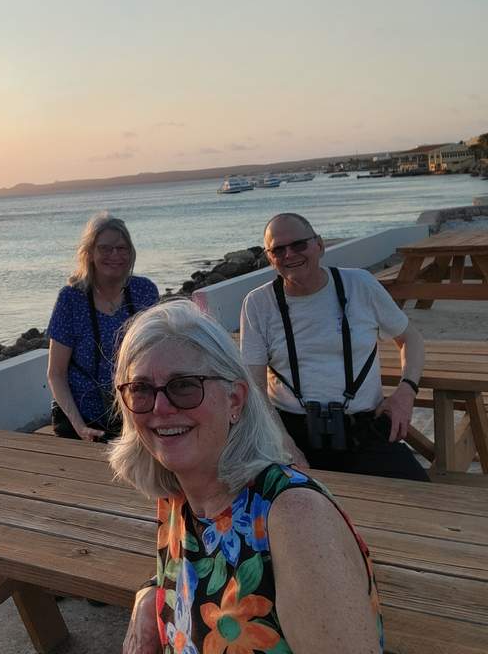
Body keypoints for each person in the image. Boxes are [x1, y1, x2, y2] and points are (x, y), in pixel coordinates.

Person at [109, 300, 384, 654]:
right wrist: (149, 594)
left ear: (235, 400)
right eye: (141, 389)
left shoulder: (296, 518)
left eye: (185, 386)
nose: (161, 408)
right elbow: (201, 573)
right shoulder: (179, 497)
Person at [239, 213, 428, 481]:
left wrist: (405, 393)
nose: (290, 254)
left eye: (299, 245)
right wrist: (283, 442)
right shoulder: (258, 304)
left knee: (421, 499)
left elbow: (411, 339)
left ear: (320, 245)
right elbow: (255, 386)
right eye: (278, 249)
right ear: (270, 258)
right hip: (291, 430)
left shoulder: (360, 284)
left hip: (363, 428)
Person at [47, 212, 158, 441]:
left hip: (134, 414)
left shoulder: (144, 291)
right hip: (81, 418)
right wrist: (80, 427)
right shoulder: (71, 299)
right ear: (89, 253)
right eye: (105, 248)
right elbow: (56, 374)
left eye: (121, 248)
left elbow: (158, 354)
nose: (114, 255)